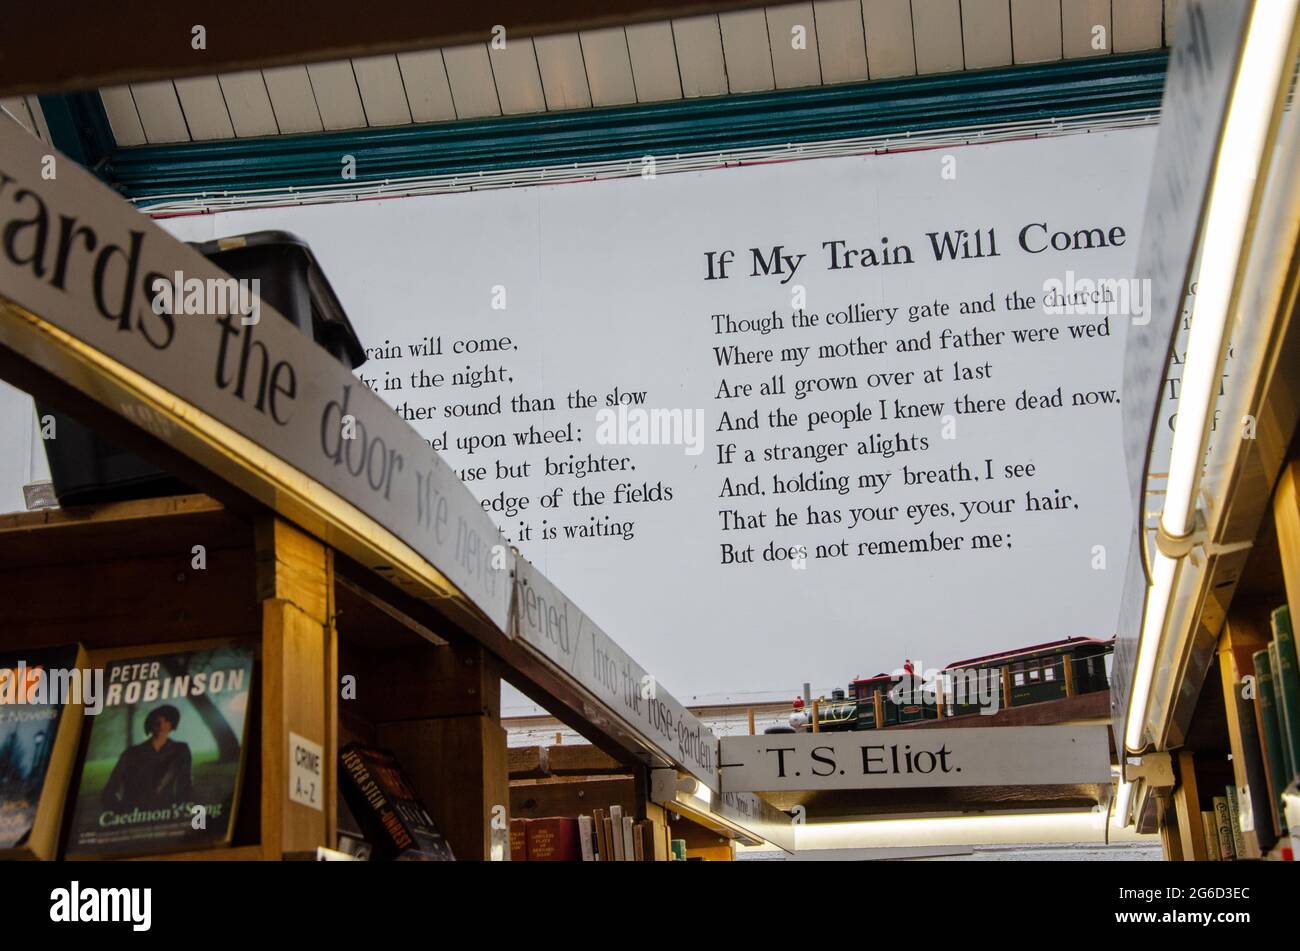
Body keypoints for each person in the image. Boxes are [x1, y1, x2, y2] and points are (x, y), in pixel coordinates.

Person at [101, 704, 193, 811]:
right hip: (134, 813)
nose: (161, 725)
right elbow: (110, 789)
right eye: (158, 722)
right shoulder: (131, 754)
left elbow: (185, 784)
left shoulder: (180, 750)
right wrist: (122, 812)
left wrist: (179, 808)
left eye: (167, 721)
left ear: (172, 724)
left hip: (166, 812)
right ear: (151, 724)